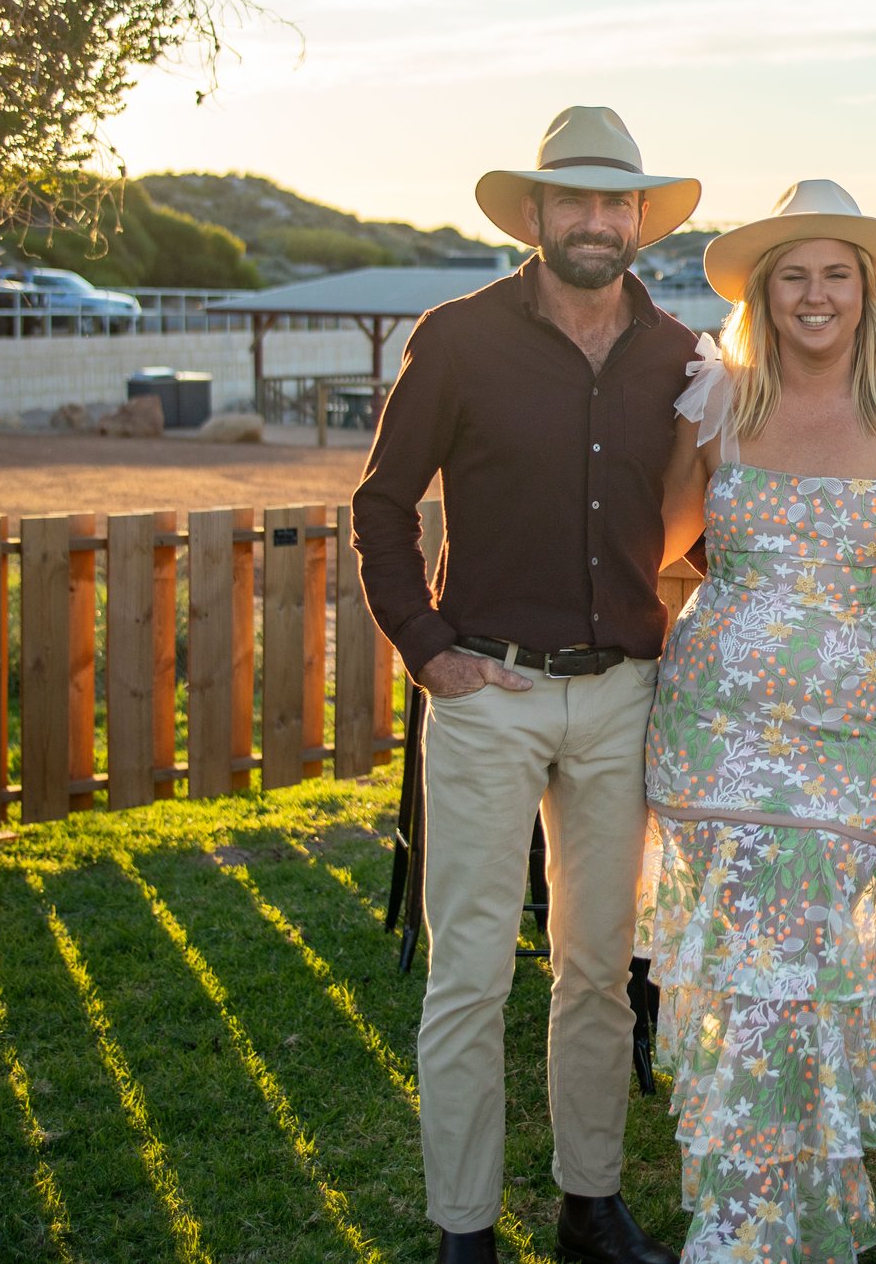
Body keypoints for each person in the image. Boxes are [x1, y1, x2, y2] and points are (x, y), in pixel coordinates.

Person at [352, 106, 697, 1264]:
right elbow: (381, 505)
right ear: (537, 212)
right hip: (488, 689)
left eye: (617, 201)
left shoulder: (680, 355)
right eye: (576, 200)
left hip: (623, 696)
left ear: (640, 218)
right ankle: (463, 1228)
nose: (598, 220)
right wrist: (425, 643)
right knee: (471, 967)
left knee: (601, 964)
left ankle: (588, 1203)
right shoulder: (457, 337)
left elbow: (707, 519)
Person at [643, 180, 876, 1263]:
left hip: (846, 745)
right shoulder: (716, 400)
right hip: (712, 732)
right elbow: (653, 541)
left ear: (866, 291)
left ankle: (770, 1221)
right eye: (794, 276)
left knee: (806, 974)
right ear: (764, 293)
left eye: (836, 274)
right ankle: (740, 1217)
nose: (815, 295)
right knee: (738, 973)